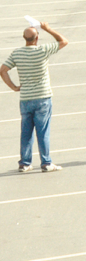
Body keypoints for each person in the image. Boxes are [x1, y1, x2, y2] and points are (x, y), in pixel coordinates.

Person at [1, 21, 68, 173]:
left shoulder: (17, 53)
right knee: (43, 131)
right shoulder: (42, 50)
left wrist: (13, 87)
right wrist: (48, 28)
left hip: (25, 98)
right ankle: (46, 162)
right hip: (43, 97)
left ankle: (25, 163)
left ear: (24, 38)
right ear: (37, 38)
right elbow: (64, 41)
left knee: (26, 132)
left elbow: (3, 70)